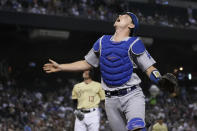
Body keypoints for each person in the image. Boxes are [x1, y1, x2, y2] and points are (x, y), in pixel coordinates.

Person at [43, 12, 173, 131]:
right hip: (110, 100)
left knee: (135, 126)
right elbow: (87, 63)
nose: (121, 15)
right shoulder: (102, 41)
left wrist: (159, 79)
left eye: (126, 15)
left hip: (131, 94)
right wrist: (61, 67)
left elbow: (149, 68)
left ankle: (140, 124)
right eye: (120, 14)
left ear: (131, 25)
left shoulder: (134, 43)